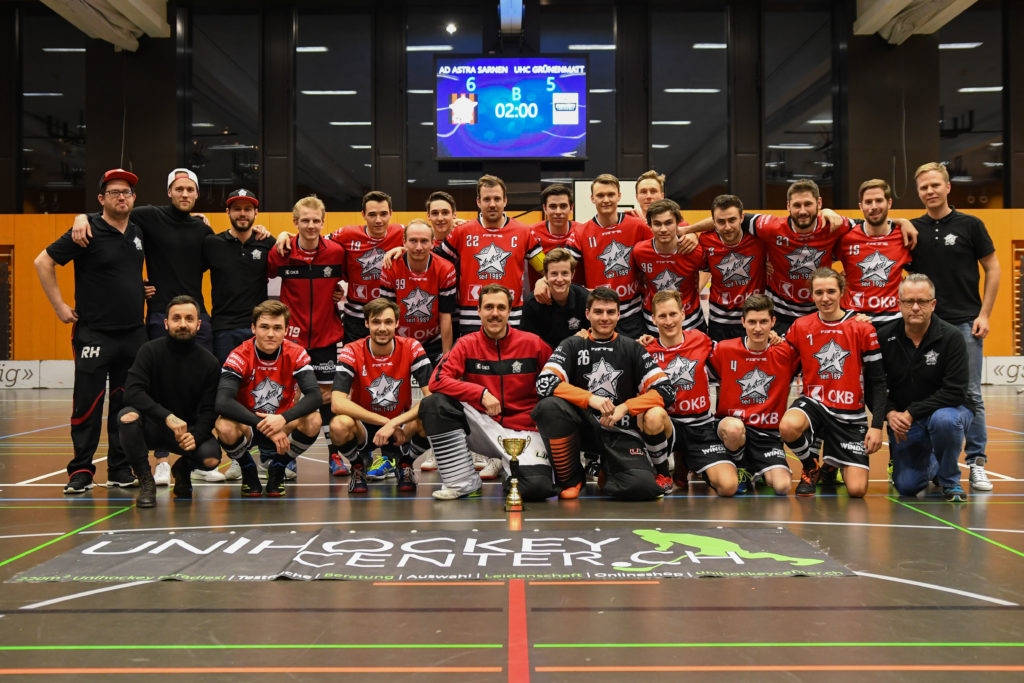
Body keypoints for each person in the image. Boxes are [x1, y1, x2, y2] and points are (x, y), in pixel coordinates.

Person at [34, 168, 148, 494]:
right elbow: (43, 262)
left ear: (133, 198)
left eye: (126, 192)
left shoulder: (139, 231)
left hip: (133, 334)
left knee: (127, 406)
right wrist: (59, 307)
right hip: (94, 334)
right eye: (114, 192)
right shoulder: (86, 231)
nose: (122, 196)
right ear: (101, 199)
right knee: (88, 404)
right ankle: (81, 470)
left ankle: (119, 469)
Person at [533, 287, 675, 501]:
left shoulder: (632, 348)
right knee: (548, 406)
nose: (605, 317)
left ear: (619, 315)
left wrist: (625, 408)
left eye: (610, 312)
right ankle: (571, 479)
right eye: (598, 312)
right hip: (582, 429)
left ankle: (607, 470)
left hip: (620, 432)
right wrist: (591, 399)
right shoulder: (572, 344)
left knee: (642, 488)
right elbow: (544, 383)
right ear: (587, 314)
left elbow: (666, 390)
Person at [910, 161, 1000, 493]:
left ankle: (976, 463)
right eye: (923, 187)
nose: (930, 191)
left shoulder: (971, 225)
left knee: (971, 394)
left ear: (948, 187)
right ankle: (933, 464)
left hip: (965, 323)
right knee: (926, 394)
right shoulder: (912, 229)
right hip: (925, 328)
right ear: (918, 192)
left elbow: (993, 267)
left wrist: (985, 314)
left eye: (935, 185)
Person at [421, 284, 553, 500]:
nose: (495, 314)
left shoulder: (533, 344)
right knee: (434, 404)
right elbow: (437, 381)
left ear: (510, 311)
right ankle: (463, 482)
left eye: (501, 308)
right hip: (481, 424)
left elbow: (557, 381)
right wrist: (479, 393)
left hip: (524, 430)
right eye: (489, 307)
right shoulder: (465, 344)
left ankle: (510, 468)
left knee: (536, 489)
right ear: (479, 311)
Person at [779, 268, 887, 498]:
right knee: (788, 426)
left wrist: (877, 425)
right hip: (815, 405)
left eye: (830, 291)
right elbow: (782, 364)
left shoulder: (862, 327)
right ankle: (811, 466)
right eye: (819, 292)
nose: (825, 298)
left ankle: (831, 463)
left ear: (841, 292)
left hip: (849, 414)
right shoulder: (800, 326)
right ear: (812, 295)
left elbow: (878, 381)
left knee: (857, 491)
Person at [267, 196, 349, 477]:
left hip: (327, 337)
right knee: (289, 397)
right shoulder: (281, 251)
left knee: (326, 396)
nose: (311, 225)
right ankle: (285, 456)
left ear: (323, 222)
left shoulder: (337, 252)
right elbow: (263, 276)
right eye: (305, 220)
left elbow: (351, 280)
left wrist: (341, 292)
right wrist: (280, 237)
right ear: (295, 223)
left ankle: (334, 456)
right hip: (292, 340)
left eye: (316, 220)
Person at [878, 274, 974, 502]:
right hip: (904, 418)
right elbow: (877, 386)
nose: (915, 307)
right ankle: (934, 463)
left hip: (951, 410)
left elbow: (955, 391)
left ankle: (950, 481)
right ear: (898, 304)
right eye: (908, 301)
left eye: (922, 301)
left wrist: (911, 413)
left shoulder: (952, 337)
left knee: (944, 420)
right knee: (907, 486)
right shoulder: (884, 337)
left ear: (933, 304)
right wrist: (890, 414)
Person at [119, 296, 222, 507]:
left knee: (211, 459)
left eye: (189, 318)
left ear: (198, 324)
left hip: (187, 432)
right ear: (166, 323)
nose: (182, 324)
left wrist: (197, 435)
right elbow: (132, 392)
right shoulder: (149, 351)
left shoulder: (209, 363)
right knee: (127, 417)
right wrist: (166, 416)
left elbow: (209, 410)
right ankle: (146, 482)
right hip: (152, 427)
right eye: (176, 318)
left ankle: (182, 470)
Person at [214, 300, 323, 497]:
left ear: (286, 330)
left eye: (277, 328)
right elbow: (222, 401)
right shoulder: (240, 354)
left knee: (314, 420)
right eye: (264, 327)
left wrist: (282, 419)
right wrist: (262, 424)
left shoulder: (296, 353)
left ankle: (278, 468)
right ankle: (248, 469)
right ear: (253, 328)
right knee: (224, 426)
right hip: (249, 425)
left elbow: (315, 396)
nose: (271, 334)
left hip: (282, 423)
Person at [330, 299, 434, 493]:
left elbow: (432, 398)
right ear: (367, 323)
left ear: (397, 323)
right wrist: (386, 422)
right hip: (364, 425)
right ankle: (358, 466)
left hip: (401, 425)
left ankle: (405, 464)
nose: (382, 328)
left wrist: (395, 423)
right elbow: (337, 403)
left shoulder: (411, 347)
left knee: (433, 414)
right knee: (338, 425)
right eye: (376, 322)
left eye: (388, 322)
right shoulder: (351, 350)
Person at [640, 291, 734, 496]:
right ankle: (663, 472)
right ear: (653, 319)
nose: (669, 321)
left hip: (700, 427)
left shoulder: (700, 339)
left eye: (673, 314)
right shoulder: (645, 350)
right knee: (652, 415)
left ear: (683, 314)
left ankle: (688, 460)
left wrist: (769, 339)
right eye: (662, 316)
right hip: (669, 426)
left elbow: (735, 351)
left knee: (728, 487)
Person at [707, 295, 801, 496]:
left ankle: (758, 467)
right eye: (752, 322)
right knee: (733, 429)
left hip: (767, 435)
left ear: (773, 322)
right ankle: (741, 467)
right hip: (733, 427)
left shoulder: (786, 352)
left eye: (763, 322)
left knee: (783, 487)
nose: (758, 328)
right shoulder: (725, 349)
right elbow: (686, 352)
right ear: (743, 322)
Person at [437, 175, 544, 334]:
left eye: (497, 199)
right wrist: (403, 250)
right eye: (487, 199)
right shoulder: (461, 232)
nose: (492, 204)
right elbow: (432, 261)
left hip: (511, 316)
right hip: (471, 318)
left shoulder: (524, 232)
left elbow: (546, 268)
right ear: (478, 202)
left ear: (505, 201)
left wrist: (545, 280)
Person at [562, 174, 654, 338]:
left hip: (633, 316)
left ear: (619, 196)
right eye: (600, 195)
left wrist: (687, 235)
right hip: (599, 317)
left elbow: (662, 252)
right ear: (592, 198)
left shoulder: (638, 226)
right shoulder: (580, 232)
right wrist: (544, 281)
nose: (606, 200)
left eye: (611, 194)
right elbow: (562, 266)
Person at [203, 189, 276, 363]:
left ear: (256, 213)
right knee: (227, 384)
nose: (242, 214)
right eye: (237, 209)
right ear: (228, 212)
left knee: (258, 386)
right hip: (223, 329)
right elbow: (187, 272)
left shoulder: (267, 243)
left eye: (247, 209)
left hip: (259, 328)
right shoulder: (213, 243)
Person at [834, 179, 912, 328]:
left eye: (879, 201)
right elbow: (818, 261)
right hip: (854, 321)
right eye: (868, 202)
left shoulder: (904, 236)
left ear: (889, 203)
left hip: (893, 322)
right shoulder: (846, 238)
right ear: (861, 206)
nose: (874, 207)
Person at [379, 219, 456, 365]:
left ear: (433, 243)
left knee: (438, 385)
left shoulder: (446, 269)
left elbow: (445, 316)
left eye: (424, 241)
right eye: (413, 241)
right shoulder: (390, 267)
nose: (419, 247)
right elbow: (387, 314)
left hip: (434, 341)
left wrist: (447, 357)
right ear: (404, 242)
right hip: (400, 341)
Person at [699, 194, 767, 341]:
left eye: (732, 220)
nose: (727, 227)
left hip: (754, 319)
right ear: (714, 222)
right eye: (721, 222)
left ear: (742, 218)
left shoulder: (760, 238)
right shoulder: (705, 240)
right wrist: (688, 233)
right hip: (720, 322)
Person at [631, 199, 705, 333]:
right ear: (650, 226)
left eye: (669, 223)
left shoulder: (694, 251)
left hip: (691, 322)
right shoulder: (639, 252)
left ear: (678, 224)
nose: (663, 229)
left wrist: (698, 289)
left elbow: (708, 270)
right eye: (657, 224)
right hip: (653, 324)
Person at [520, 248, 589, 350]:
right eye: (554, 274)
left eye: (565, 273)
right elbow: (529, 344)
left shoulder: (585, 299)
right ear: (546, 276)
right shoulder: (532, 303)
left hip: (578, 357)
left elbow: (594, 336)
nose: (559, 279)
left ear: (573, 274)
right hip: (545, 360)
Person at [528, 184, 582, 287]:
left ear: (571, 208)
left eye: (563, 206)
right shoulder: (530, 232)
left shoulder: (582, 232)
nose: (558, 212)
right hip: (541, 299)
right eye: (553, 206)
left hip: (576, 298)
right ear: (544, 208)